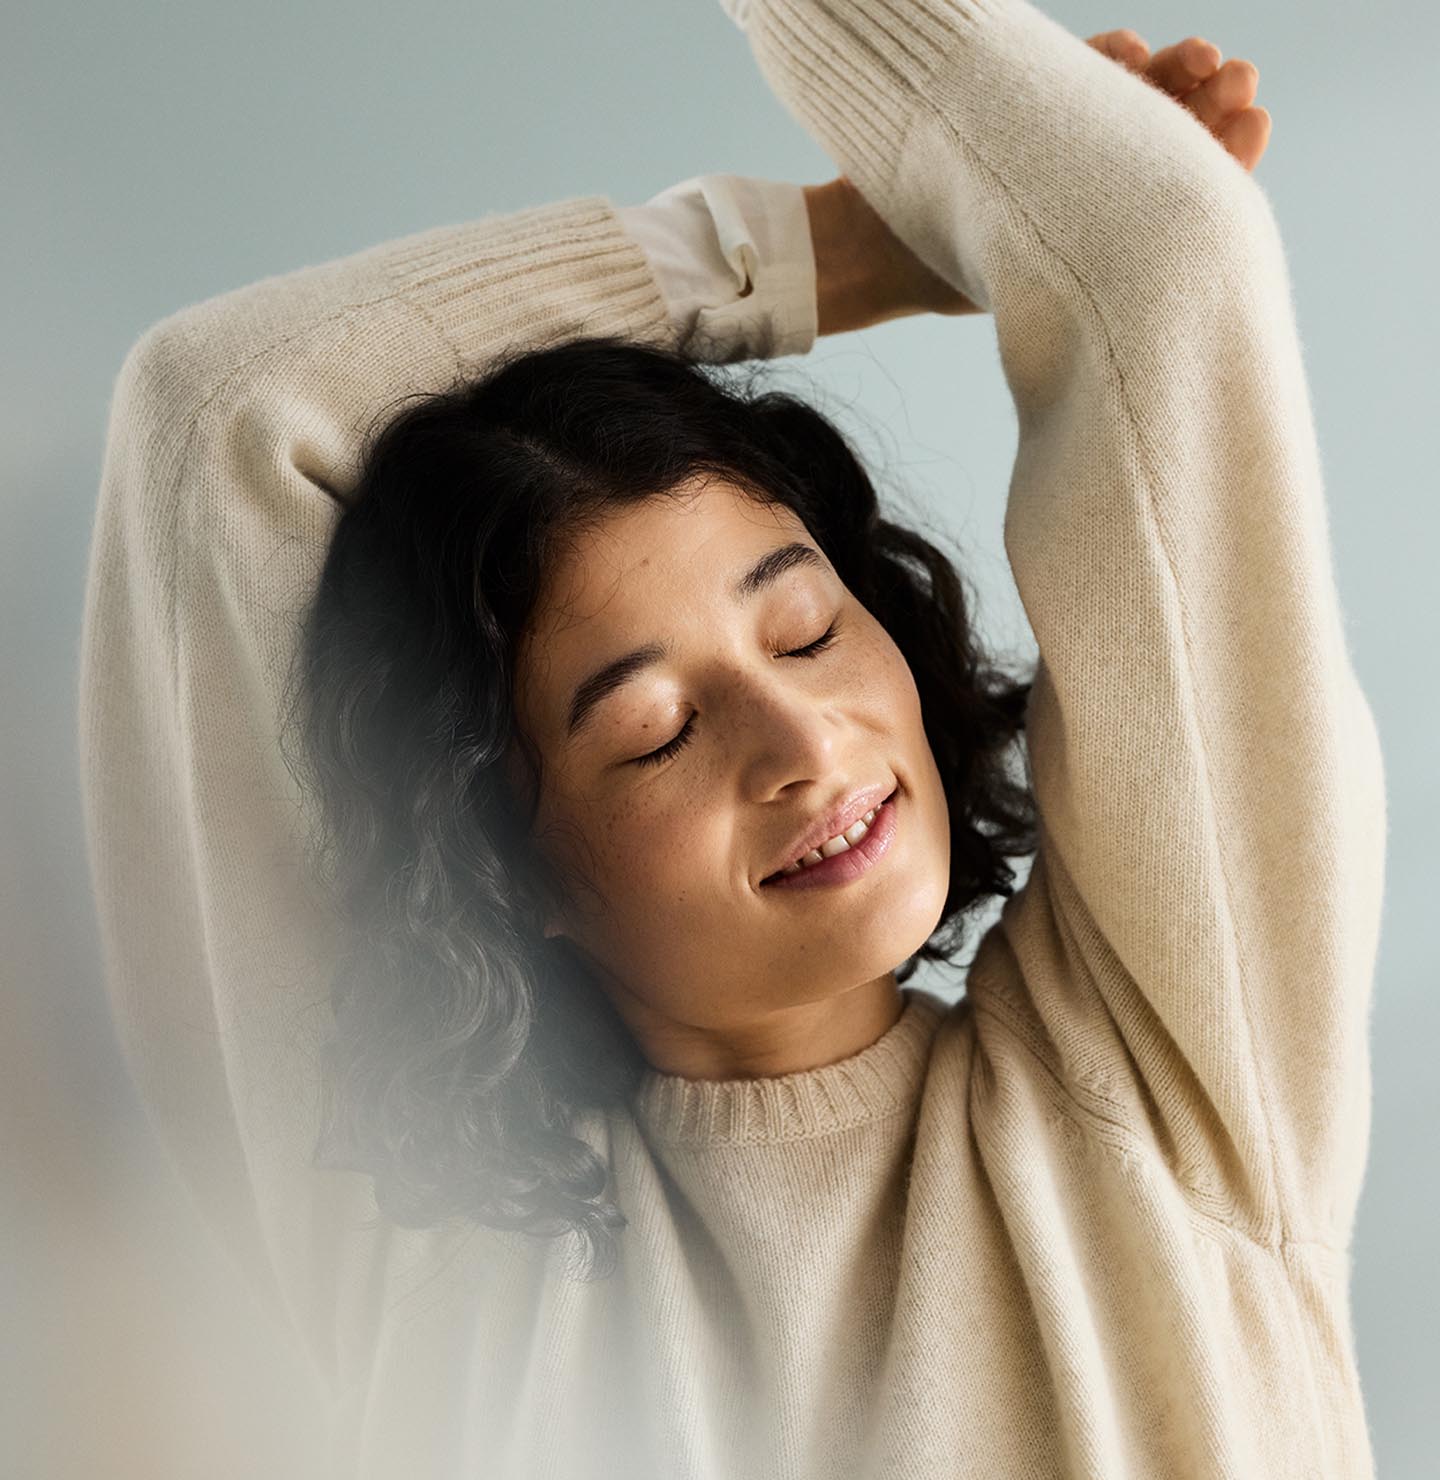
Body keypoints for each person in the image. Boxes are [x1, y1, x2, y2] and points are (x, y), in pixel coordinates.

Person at [78, 1, 1386, 1475]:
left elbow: (1156, 238)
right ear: (518, 874)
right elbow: (223, 415)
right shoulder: (432, 1247)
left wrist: (860, 241)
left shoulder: (1174, 1076)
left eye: (808, 629)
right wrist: (844, 248)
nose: (801, 740)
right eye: (652, 733)